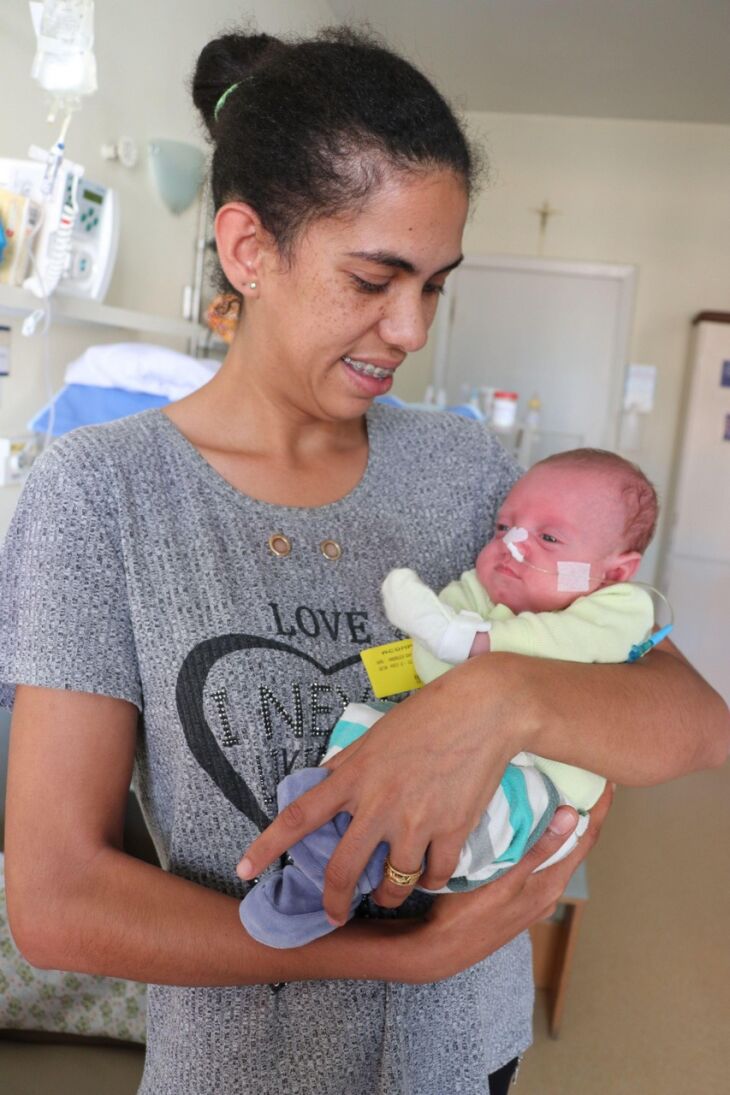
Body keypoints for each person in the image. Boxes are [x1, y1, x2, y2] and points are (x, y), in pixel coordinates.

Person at [1, 27, 727, 1095]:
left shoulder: (471, 470)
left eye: (434, 285)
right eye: (375, 279)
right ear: (249, 250)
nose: (408, 329)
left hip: (465, 1056)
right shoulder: (100, 495)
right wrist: (404, 952)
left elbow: (693, 722)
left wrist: (500, 697)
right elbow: (56, 902)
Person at [240, 449, 658, 948]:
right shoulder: (481, 592)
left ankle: (338, 871)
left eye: (549, 538)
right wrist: (443, 631)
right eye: (504, 528)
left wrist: (472, 642)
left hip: (542, 790)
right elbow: (433, 661)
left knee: (485, 801)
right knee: (372, 723)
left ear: (612, 572)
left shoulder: (620, 607)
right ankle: (337, 821)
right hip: (446, 753)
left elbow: (570, 645)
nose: (515, 546)